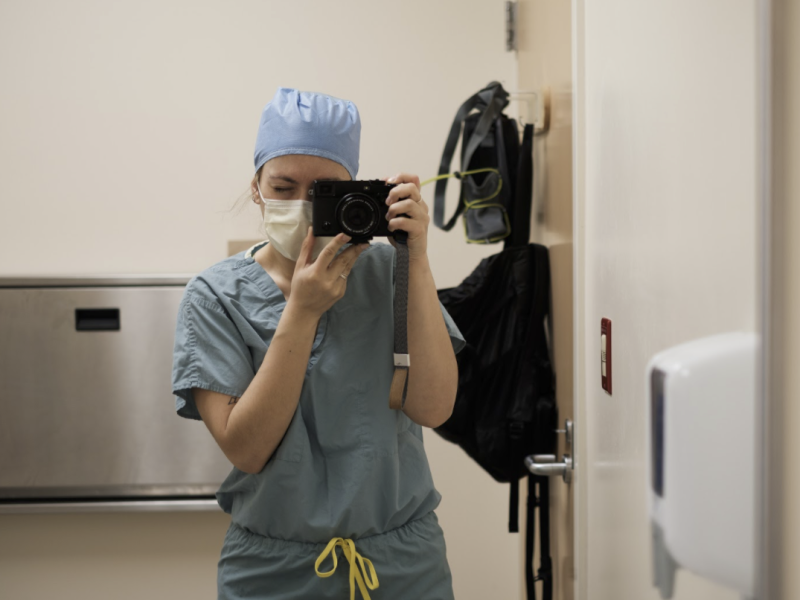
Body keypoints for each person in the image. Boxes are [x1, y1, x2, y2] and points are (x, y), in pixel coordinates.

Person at [171, 87, 466, 600]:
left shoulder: (390, 273)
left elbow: (435, 406)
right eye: (284, 187)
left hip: (401, 568)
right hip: (272, 573)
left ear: (356, 192)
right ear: (257, 188)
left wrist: (415, 258)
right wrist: (303, 311)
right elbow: (246, 448)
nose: (303, 206)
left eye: (324, 191)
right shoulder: (215, 295)